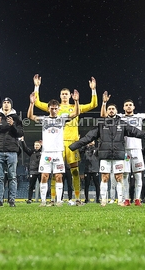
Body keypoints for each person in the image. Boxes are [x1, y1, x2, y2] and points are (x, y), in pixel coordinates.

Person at [70, 94, 145, 206]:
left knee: (126, 177)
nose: (111, 111)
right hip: (112, 153)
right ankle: (109, 200)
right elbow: (89, 137)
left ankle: (129, 200)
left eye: (113, 109)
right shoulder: (104, 123)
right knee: (109, 177)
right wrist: (73, 146)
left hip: (125, 152)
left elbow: (138, 132)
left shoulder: (125, 122)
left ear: (117, 111)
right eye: (109, 109)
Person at [33, 74, 98, 205]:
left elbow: (94, 104)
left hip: (73, 142)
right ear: (60, 96)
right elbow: (36, 102)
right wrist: (36, 87)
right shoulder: (54, 108)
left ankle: (78, 198)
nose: (64, 95)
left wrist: (93, 89)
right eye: (62, 94)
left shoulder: (75, 107)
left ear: (69, 96)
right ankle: (52, 199)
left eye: (66, 94)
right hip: (57, 145)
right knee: (54, 172)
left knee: (75, 171)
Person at [27, 91, 80, 206]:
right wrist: (32, 104)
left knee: (59, 176)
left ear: (58, 109)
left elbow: (76, 113)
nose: (54, 110)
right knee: (44, 176)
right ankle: (43, 201)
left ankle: (59, 201)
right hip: (46, 153)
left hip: (58, 152)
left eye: (56, 108)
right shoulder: (44, 119)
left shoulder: (62, 118)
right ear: (48, 109)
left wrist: (76, 101)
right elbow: (30, 116)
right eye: (52, 108)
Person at [119, 90, 145, 205]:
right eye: (126, 105)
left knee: (138, 174)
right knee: (125, 175)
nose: (128, 107)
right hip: (124, 149)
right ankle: (126, 199)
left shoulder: (138, 116)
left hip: (137, 149)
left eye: (130, 105)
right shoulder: (119, 117)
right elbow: (105, 115)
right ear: (123, 107)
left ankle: (137, 199)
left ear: (134, 107)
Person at [0, 97, 24, 207]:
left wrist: (12, 125)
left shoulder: (16, 118)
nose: (6, 104)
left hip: (12, 150)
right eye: (4, 102)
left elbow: (20, 133)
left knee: (12, 176)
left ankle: (11, 200)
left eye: (8, 102)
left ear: (11, 105)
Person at [22, 139, 42, 203]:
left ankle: (43, 199)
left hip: (41, 171)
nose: (36, 146)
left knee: (42, 186)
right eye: (35, 145)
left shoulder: (43, 152)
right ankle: (29, 199)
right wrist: (22, 141)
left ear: (40, 146)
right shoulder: (32, 152)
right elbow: (25, 149)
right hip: (33, 171)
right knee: (31, 186)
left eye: (38, 145)